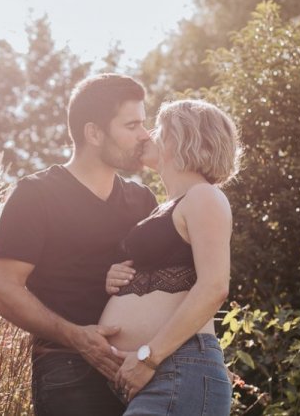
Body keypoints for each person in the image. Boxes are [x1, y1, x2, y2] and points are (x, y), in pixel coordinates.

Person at [0, 73, 158, 416]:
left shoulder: (143, 200)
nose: (145, 135)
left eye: (144, 124)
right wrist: (77, 337)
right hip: (69, 373)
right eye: (132, 125)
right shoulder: (35, 194)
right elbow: (3, 290)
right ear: (94, 132)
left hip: (139, 372)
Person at [100, 99, 242, 415]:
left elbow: (214, 286)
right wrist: (119, 276)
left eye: (158, 128)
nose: (147, 134)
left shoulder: (204, 196)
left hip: (179, 367)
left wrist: (149, 356)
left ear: (182, 137)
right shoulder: (169, 206)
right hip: (163, 371)